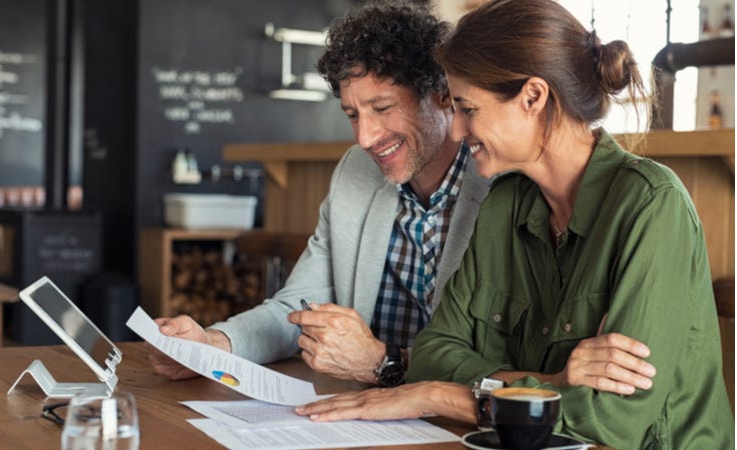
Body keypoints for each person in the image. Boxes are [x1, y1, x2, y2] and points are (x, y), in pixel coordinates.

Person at [295, 1, 735, 448]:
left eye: (468, 108)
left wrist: (442, 396)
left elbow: (613, 420)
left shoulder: (652, 205)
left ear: (533, 98)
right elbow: (431, 355)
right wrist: (552, 381)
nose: (456, 131)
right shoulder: (504, 203)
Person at [147, 1, 489, 386]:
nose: (365, 138)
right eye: (353, 114)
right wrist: (212, 343)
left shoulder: (499, 184)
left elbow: (500, 358)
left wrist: (386, 362)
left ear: (442, 94)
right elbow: (299, 307)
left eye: (382, 107)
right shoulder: (354, 172)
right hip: (370, 414)